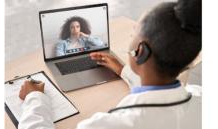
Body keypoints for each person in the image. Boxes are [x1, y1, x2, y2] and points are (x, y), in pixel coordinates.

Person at [18, 0, 202, 129]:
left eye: (133, 32)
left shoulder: (110, 124)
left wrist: (35, 99)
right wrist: (124, 70)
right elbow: (159, 94)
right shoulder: (201, 99)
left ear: (140, 52)